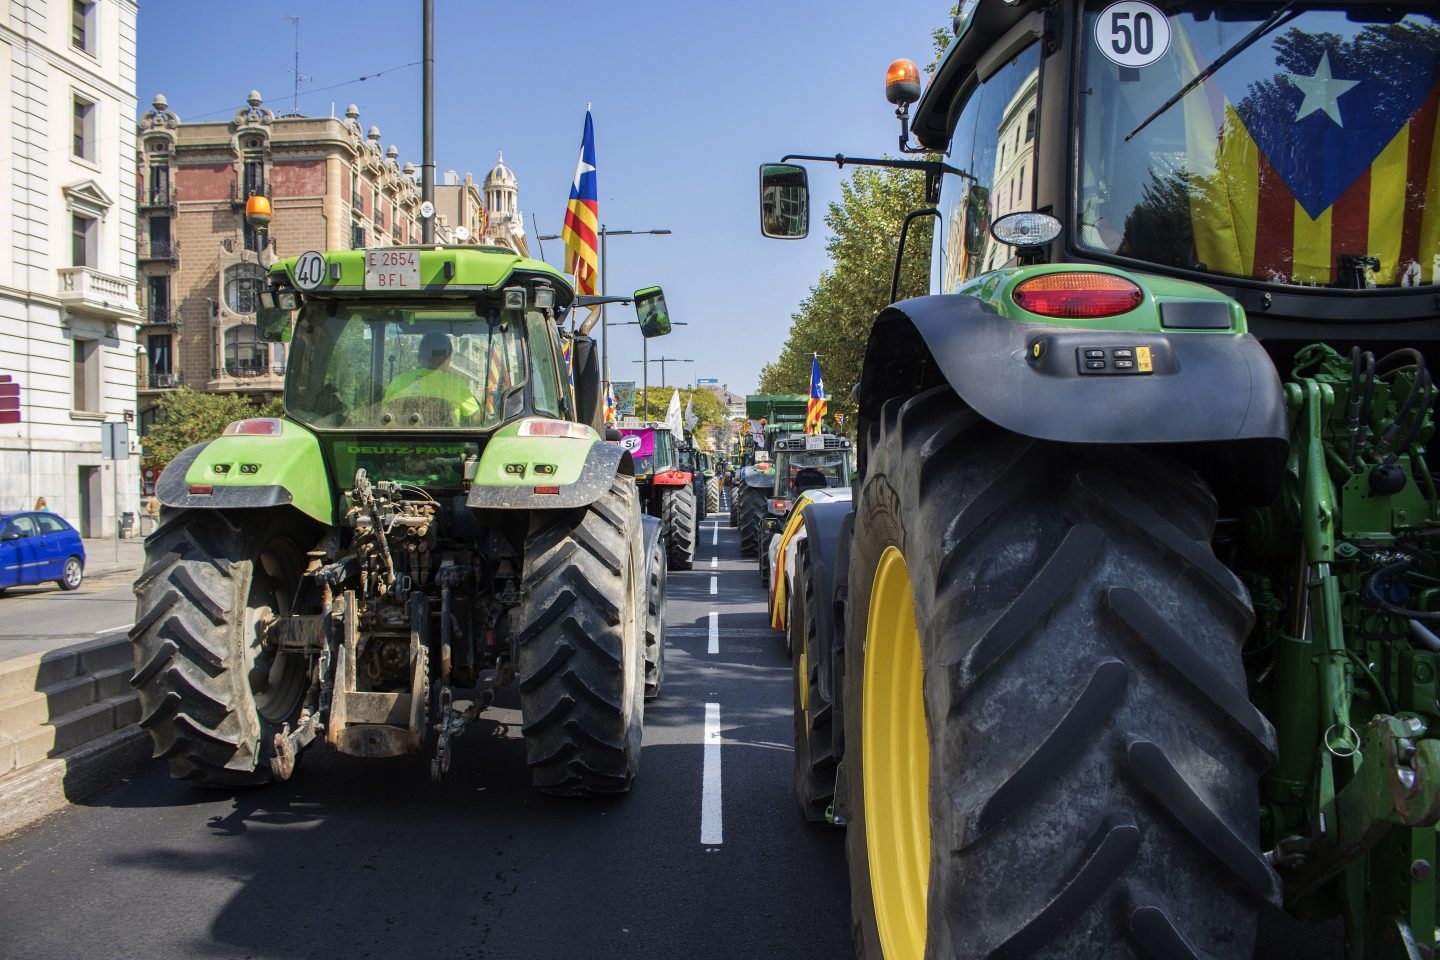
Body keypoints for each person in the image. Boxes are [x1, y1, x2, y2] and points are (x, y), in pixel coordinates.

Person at [382, 331, 481, 423]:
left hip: (403, 440)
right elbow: (476, 418)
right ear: (448, 358)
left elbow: (384, 414)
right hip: (448, 440)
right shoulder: (456, 384)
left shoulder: (399, 381)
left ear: (419, 356)